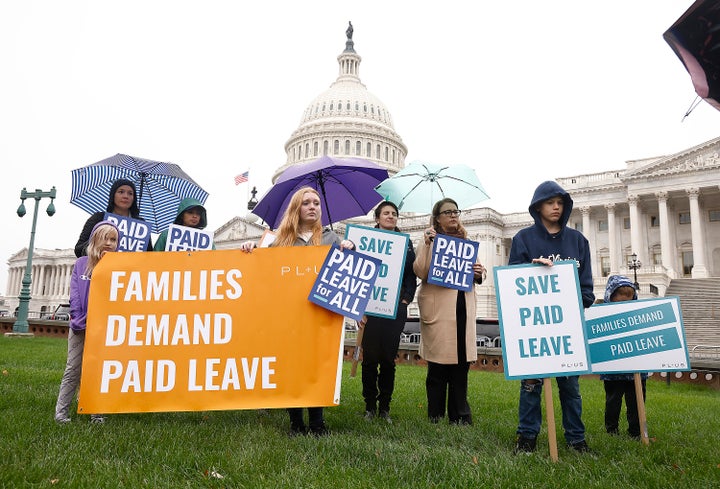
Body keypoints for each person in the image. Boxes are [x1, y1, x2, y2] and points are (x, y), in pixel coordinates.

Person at [240, 186, 355, 436]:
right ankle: (296, 422)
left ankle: (317, 422)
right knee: (292, 366)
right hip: (289, 315)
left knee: (316, 365)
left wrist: (350, 247)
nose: (312, 206)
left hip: (319, 312)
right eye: (306, 203)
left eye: (316, 203)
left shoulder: (331, 239)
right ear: (296, 208)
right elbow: (261, 270)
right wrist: (249, 250)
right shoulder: (280, 242)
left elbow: (347, 271)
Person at [509, 180, 595, 454]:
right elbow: (513, 279)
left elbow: (586, 286)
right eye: (550, 202)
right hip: (534, 326)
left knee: (570, 387)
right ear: (538, 206)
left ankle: (576, 439)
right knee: (531, 385)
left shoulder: (578, 241)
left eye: (560, 202)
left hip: (567, 325)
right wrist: (531, 270)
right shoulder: (524, 239)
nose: (556, 207)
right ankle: (527, 437)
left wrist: (574, 299)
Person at [413, 198, 485, 425]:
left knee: (461, 365)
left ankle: (460, 415)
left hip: (462, 308)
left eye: (456, 211)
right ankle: (435, 415)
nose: (453, 215)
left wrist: (479, 271)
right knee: (438, 366)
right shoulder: (428, 241)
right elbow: (420, 271)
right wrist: (426, 243)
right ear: (437, 218)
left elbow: (479, 273)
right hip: (439, 310)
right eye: (448, 212)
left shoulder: (466, 242)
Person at [55, 220, 120, 424]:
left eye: (113, 239)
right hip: (80, 325)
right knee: (73, 369)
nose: (109, 243)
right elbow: (75, 294)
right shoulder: (81, 263)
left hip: (104, 328)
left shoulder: (119, 267)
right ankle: (61, 413)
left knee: (98, 371)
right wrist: (78, 317)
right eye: (105, 238)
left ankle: (96, 413)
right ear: (94, 240)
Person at [359, 201, 417, 423]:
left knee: (388, 360)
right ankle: (369, 406)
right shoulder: (364, 241)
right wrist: (359, 308)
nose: (391, 217)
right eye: (386, 213)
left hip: (396, 307)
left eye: (394, 214)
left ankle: (385, 406)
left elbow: (411, 274)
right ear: (377, 218)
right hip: (370, 308)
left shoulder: (406, 244)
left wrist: (406, 299)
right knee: (370, 359)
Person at [601, 275, 647, 439]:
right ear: (610, 297)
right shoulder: (602, 318)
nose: (624, 303)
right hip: (613, 370)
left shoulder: (639, 316)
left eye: (628, 299)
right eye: (620, 299)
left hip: (637, 368)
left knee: (636, 400)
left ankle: (636, 430)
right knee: (613, 400)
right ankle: (611, 430)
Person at [74, 178, 152, 257]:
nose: (125, 196)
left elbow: (149, 256)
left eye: (130, 193)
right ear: (113, 195)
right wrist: (98, 246)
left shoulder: (142, 226)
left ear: (134, 198)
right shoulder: (98, 218)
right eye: (121, 192)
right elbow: (78, 250)